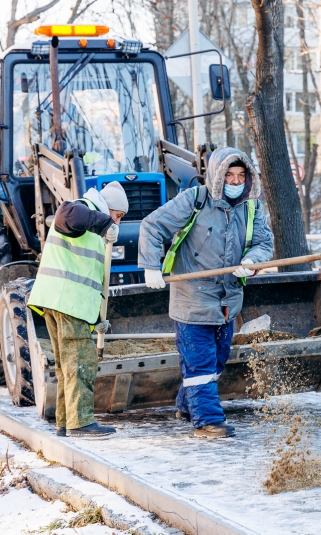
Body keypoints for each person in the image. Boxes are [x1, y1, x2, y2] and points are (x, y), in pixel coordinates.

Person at [139, 147, 274, 439]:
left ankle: (187, 405)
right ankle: (208, 420)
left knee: (216, 360)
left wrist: (252, 262)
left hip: (228, 299)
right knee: (200, 361)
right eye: (229, 175)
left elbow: (264, 242)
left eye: (241, 176)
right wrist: (150, 266)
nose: (235, 182)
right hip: (192, 296)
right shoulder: (195, 200)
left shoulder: (251, 207)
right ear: (217, 174)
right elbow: (152, 226)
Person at [28, 181, 128, 437]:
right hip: (66, 303)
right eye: (118, 216)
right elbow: (64, 214)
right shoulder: (80, 209)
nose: (118, 223)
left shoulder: (92, 227)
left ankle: (65, 421)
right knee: (81, 363)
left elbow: (86, 280)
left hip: (59, 301)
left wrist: (96, 321)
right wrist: (106, 223)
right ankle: (80, 422)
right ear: (109, 209)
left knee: (66, 367)